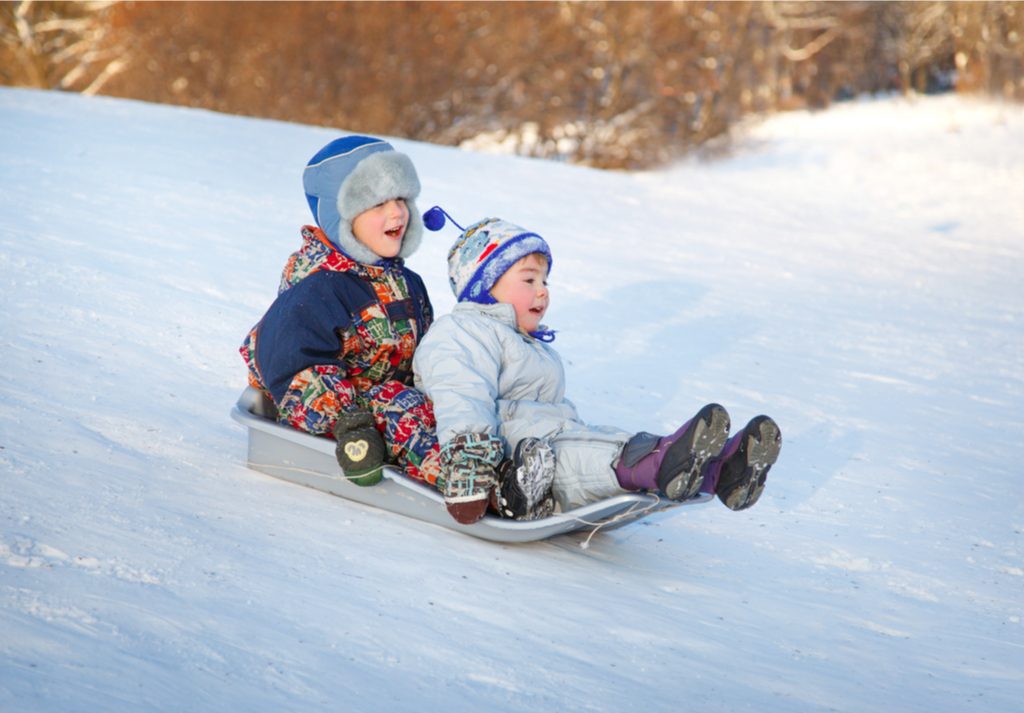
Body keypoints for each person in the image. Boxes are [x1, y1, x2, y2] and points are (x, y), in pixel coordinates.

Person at [412, 213, 782, 525]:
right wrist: (472, 466)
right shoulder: (462, 331)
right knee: (590, 458)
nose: (542, 291)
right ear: (484, 286)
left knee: (610, 441)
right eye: (529, 280)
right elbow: (461, 396)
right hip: (519, 459)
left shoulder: (528, 343)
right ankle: (663, 462)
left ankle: (719, 471)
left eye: (545, 281)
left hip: (554, 436)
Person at [240, 136, 440, 488]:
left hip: (395, 405)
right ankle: (475, 485)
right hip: (342, 421)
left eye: (401, 199)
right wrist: (351, 425)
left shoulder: (408, 283)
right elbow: (298, 366)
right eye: (378, 203)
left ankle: (507, 463)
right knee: (405, 407)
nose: (397, 212)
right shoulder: (318, 288)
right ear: (341, 217)